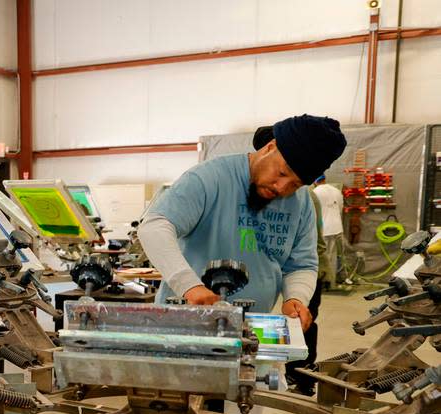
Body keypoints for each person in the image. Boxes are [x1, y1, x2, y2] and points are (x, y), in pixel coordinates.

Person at [138, 115, 347, 337]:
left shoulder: (302, 202)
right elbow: (154, 227)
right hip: (182, 326)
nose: (282, 187)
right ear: (270, 147)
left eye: (295, 184)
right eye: (282, 172)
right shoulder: (210, 178)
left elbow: (302, 264)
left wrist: (296, 297)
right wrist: (190, 286)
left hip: (249, 332)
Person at [312, 174, 345, 290]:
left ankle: (324, 283)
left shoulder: (315, 192)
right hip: (337, 228)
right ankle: (332, 283)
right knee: (334, 257)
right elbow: (340, 209)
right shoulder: (336, 190)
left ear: (315, 181)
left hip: (323, 229)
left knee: (323, 257)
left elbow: (313, 212)